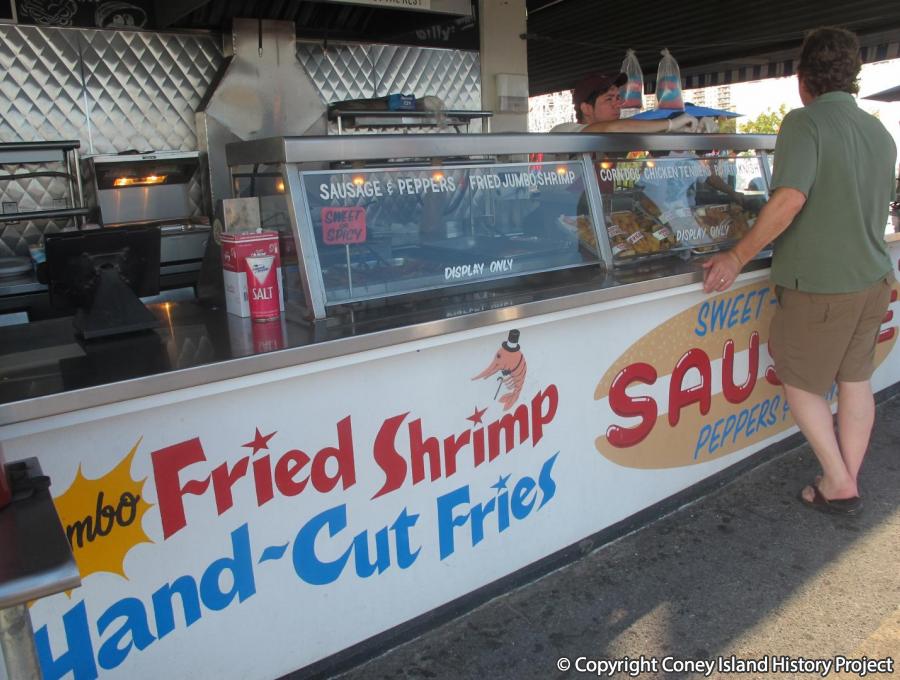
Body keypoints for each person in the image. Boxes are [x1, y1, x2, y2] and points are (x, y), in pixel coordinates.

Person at [702, 27, 897, 514]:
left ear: (802, 77)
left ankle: (838, 481)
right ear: (852, 76)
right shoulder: (879, 132)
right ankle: (845, 478)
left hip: (821, 285)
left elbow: (790, 198)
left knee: (801, 384)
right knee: (855, 382)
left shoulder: (804, 123)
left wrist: (735, 256)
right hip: (873, 279)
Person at [550, 73, 699, 133]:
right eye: (609, 99)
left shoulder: (610, 138)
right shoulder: (564, 131)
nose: (618, 104)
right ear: (586, 108)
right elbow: (614, 127)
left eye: (618, 98)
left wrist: (676, 129)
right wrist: (671, 124)